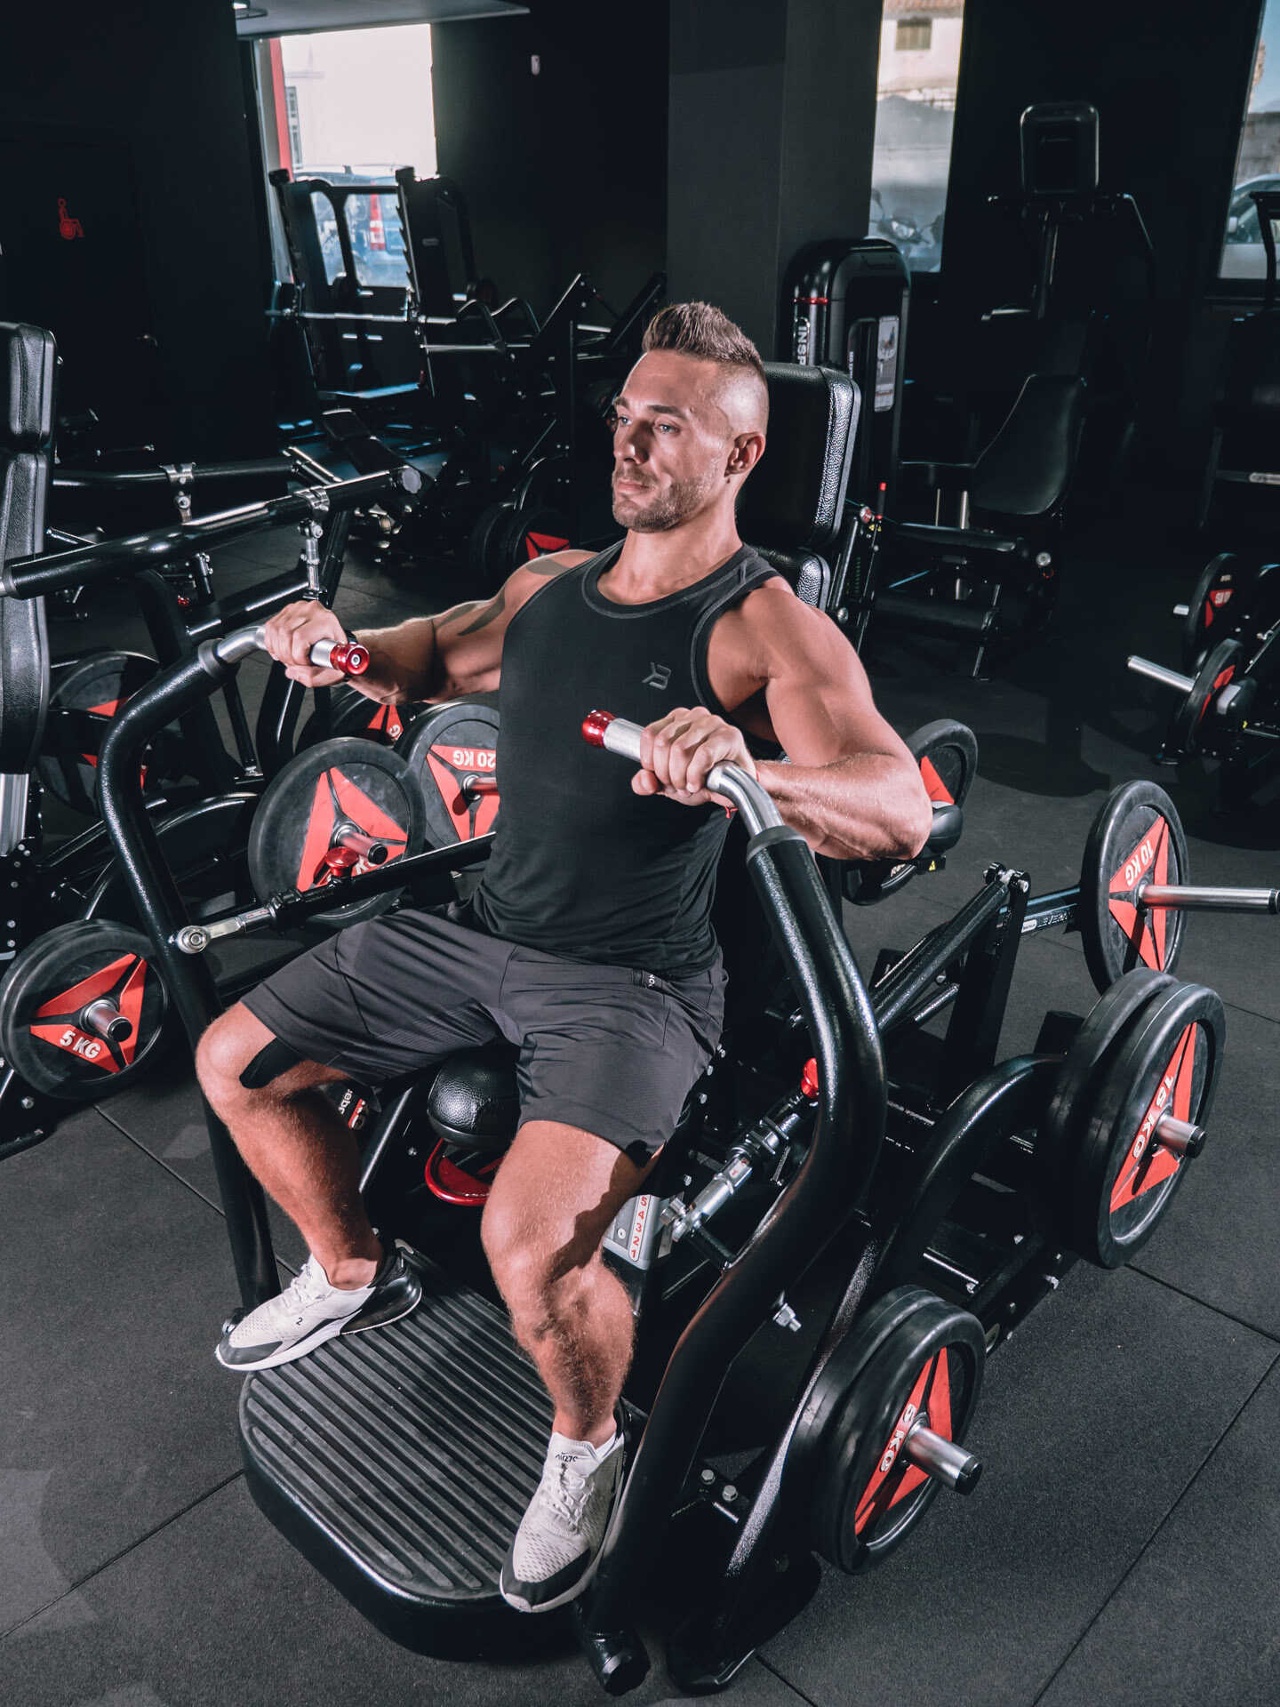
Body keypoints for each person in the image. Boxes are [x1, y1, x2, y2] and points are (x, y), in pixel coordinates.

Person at [196, 301, 933, 1614]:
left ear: (741, 455)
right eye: (624, 417)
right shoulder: (550, 588)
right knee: (233, 1062)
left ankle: (588, 1447)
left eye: (668, 426)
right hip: (482, 934)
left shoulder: (761, 628)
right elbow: (430, 659)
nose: (629, 444)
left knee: (529, 1247)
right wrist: (338, 647)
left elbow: (899, 808)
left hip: (633, 991)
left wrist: (749, 767)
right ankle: (352, 1271)